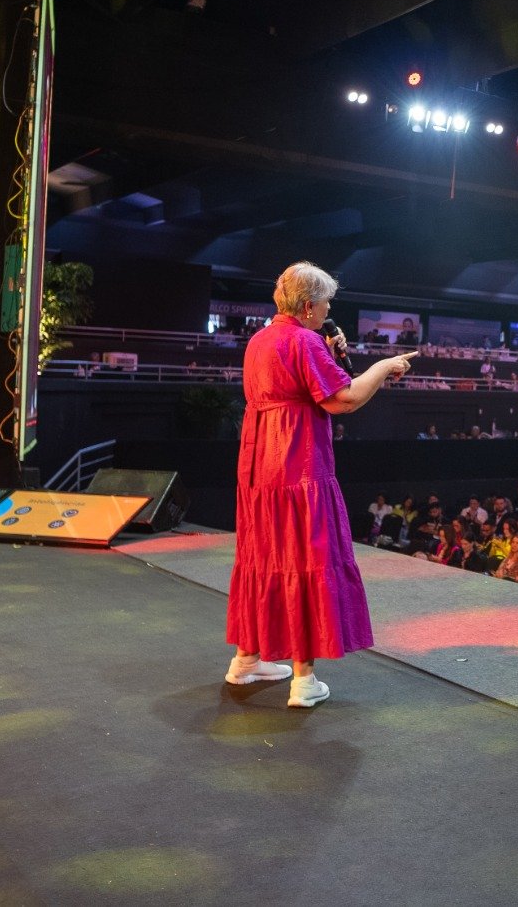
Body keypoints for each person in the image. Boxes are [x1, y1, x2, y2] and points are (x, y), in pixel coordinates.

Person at [225, 262, 414, 708]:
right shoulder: (304, 340)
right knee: (306, 560)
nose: (329, 308)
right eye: (327, 302)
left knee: (262, 558)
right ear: (310, 306)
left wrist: (328, 353)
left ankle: (246, 660)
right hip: (298, 465)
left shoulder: (260, 340)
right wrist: (385, 366)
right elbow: (343, 400)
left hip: (258, 468)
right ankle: (304, 680)